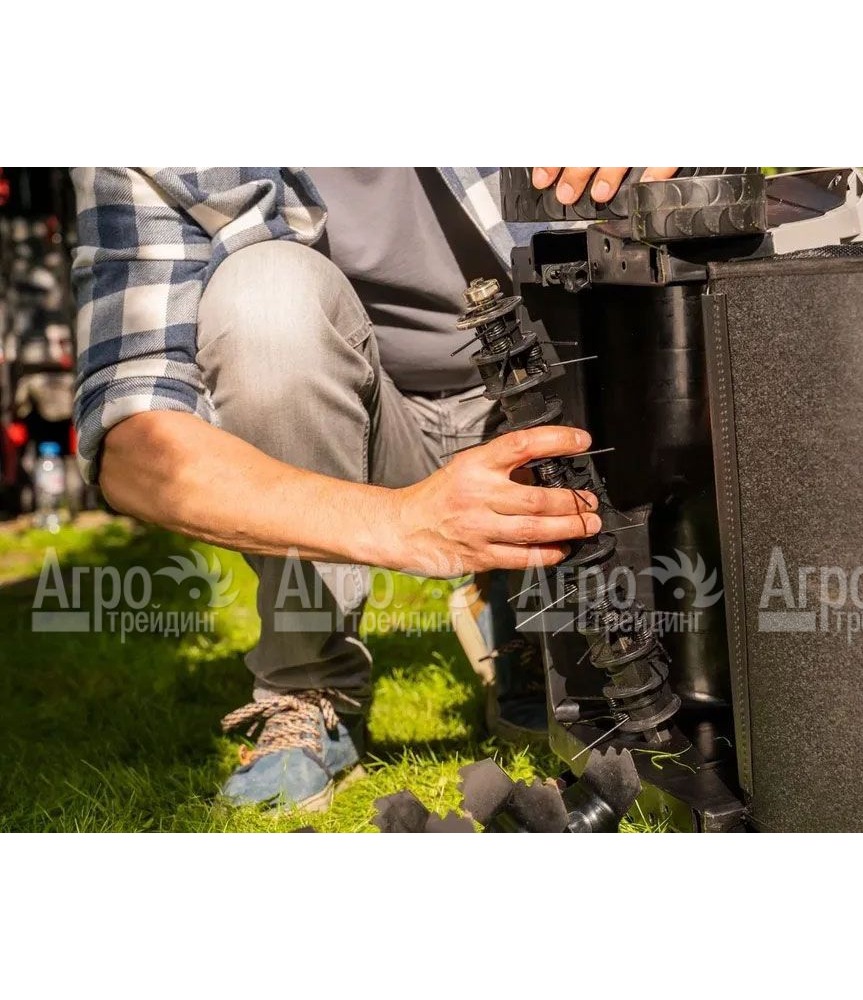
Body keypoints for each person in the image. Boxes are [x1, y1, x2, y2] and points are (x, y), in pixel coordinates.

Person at [71, 166, 677, 810]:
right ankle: (311, 681)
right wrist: (399, 522)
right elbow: (133, 442)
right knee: (265, 295)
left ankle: (533, 625)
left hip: (551, 376)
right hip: (367, 416)